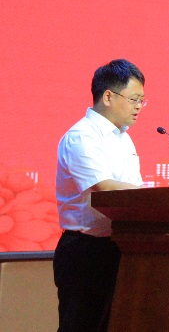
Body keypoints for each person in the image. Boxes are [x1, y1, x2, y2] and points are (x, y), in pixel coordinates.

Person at [54, 59, 147, 332]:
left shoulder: (123, 138)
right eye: (134, 99)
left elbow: (133, 189)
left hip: (119, 247)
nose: (139, 107)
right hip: (85, 252)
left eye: (142, 100)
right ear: (108, 96)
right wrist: (158, 194)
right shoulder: (82, 137)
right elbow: (104, 188)